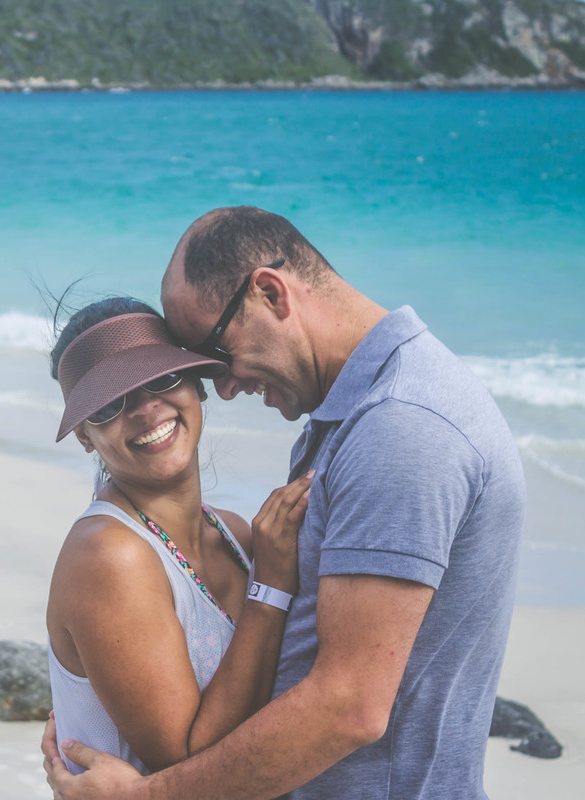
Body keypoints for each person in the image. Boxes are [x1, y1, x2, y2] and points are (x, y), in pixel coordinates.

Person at [43, 207, 527, 799]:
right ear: (85, 435)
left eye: (177, 372)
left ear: (271, 293)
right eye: (107, 406)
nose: (225, 385)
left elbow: (347, 705)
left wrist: (142, 797)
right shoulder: (355, 424)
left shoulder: (398, 430)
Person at [47, 297, 311, 777]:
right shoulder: (109, 555)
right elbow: (184, 760)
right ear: (85, 436)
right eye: (109, 404)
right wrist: (271, 587)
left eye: (163, 379)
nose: (145, 408)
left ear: (197, 387)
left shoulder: (235, 533)